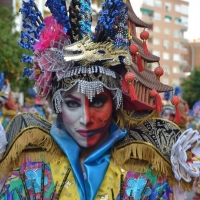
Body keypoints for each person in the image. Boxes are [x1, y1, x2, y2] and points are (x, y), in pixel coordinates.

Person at [0, 0, 200, 199]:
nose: (86, 118)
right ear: (58, 104)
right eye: (72, 104)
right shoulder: (30, 167)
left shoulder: (147, 170)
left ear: (115, 102)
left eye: (97, 102)